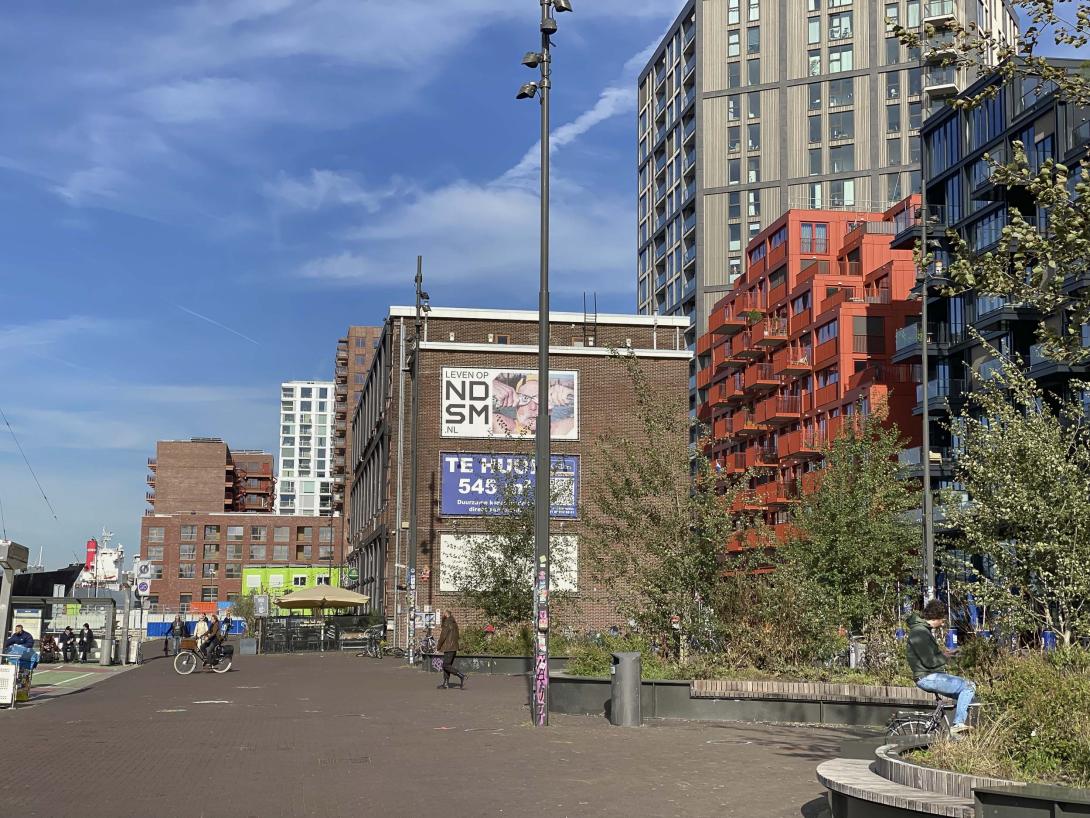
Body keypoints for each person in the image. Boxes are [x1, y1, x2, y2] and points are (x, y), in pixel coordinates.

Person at [905, 600, 976, 734]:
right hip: (927, 677)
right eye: (942, 620)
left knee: (966, 696)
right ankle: (958, 724)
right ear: (936, 618)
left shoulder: (922, 630)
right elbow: (929, 661)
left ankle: (956, 732)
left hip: (928, 675)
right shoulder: (920, 632)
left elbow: (929, 655)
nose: (943, 624)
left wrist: (947, 653)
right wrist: (946, 657)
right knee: (969, 686)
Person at [435, 612, 466, 690]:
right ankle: (445, 684)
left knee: (445, 665)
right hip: (454, 648)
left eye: (443, 614)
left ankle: (461, 675)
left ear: (446, 615)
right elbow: (457, 636)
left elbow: (443, 636)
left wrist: (438, 646)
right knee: (447, 666)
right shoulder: (454, 623)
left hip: (448, 647)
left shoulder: (447, 623)